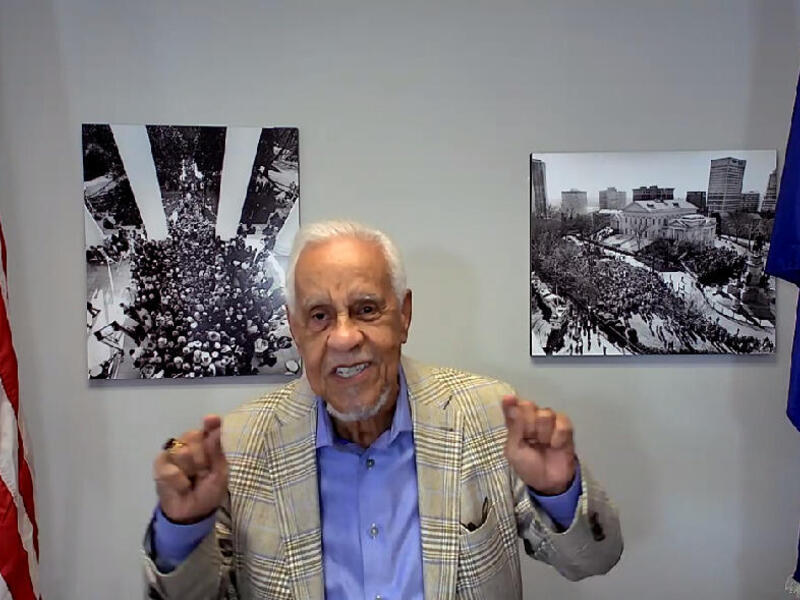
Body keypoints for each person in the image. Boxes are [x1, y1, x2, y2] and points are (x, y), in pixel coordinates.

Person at [143, 220, 622, 599]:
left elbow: (593, 559)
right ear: (295, 329)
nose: (344, 337)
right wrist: (182, 529)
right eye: (320, 316)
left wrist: (558, 491)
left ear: (404, 315)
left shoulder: (487, 415)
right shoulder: (240, 445)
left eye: (366, 309)